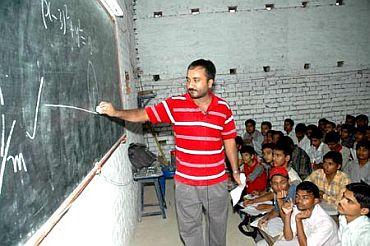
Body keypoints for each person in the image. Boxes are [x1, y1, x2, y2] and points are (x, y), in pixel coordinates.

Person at [98, 59, 241, 246]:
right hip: (186, 183)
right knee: (190, 229)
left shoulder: (223, 108)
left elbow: (229, 141)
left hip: (216, 181)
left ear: (210, 83)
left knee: (218, 226)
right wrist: (116, 112)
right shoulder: (175, 105)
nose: (190, 85)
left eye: (196, 80)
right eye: (188, 79)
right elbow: (143, 114)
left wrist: (236, 171)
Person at [278, 181, 339, 245]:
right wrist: (288, 214)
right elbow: (288, 237)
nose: (299, 200)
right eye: (297, 196)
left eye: (305, 198)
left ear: (316, 200)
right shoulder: (298, 209)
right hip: (305, 241)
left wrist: (298, 220)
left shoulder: (325, 223)